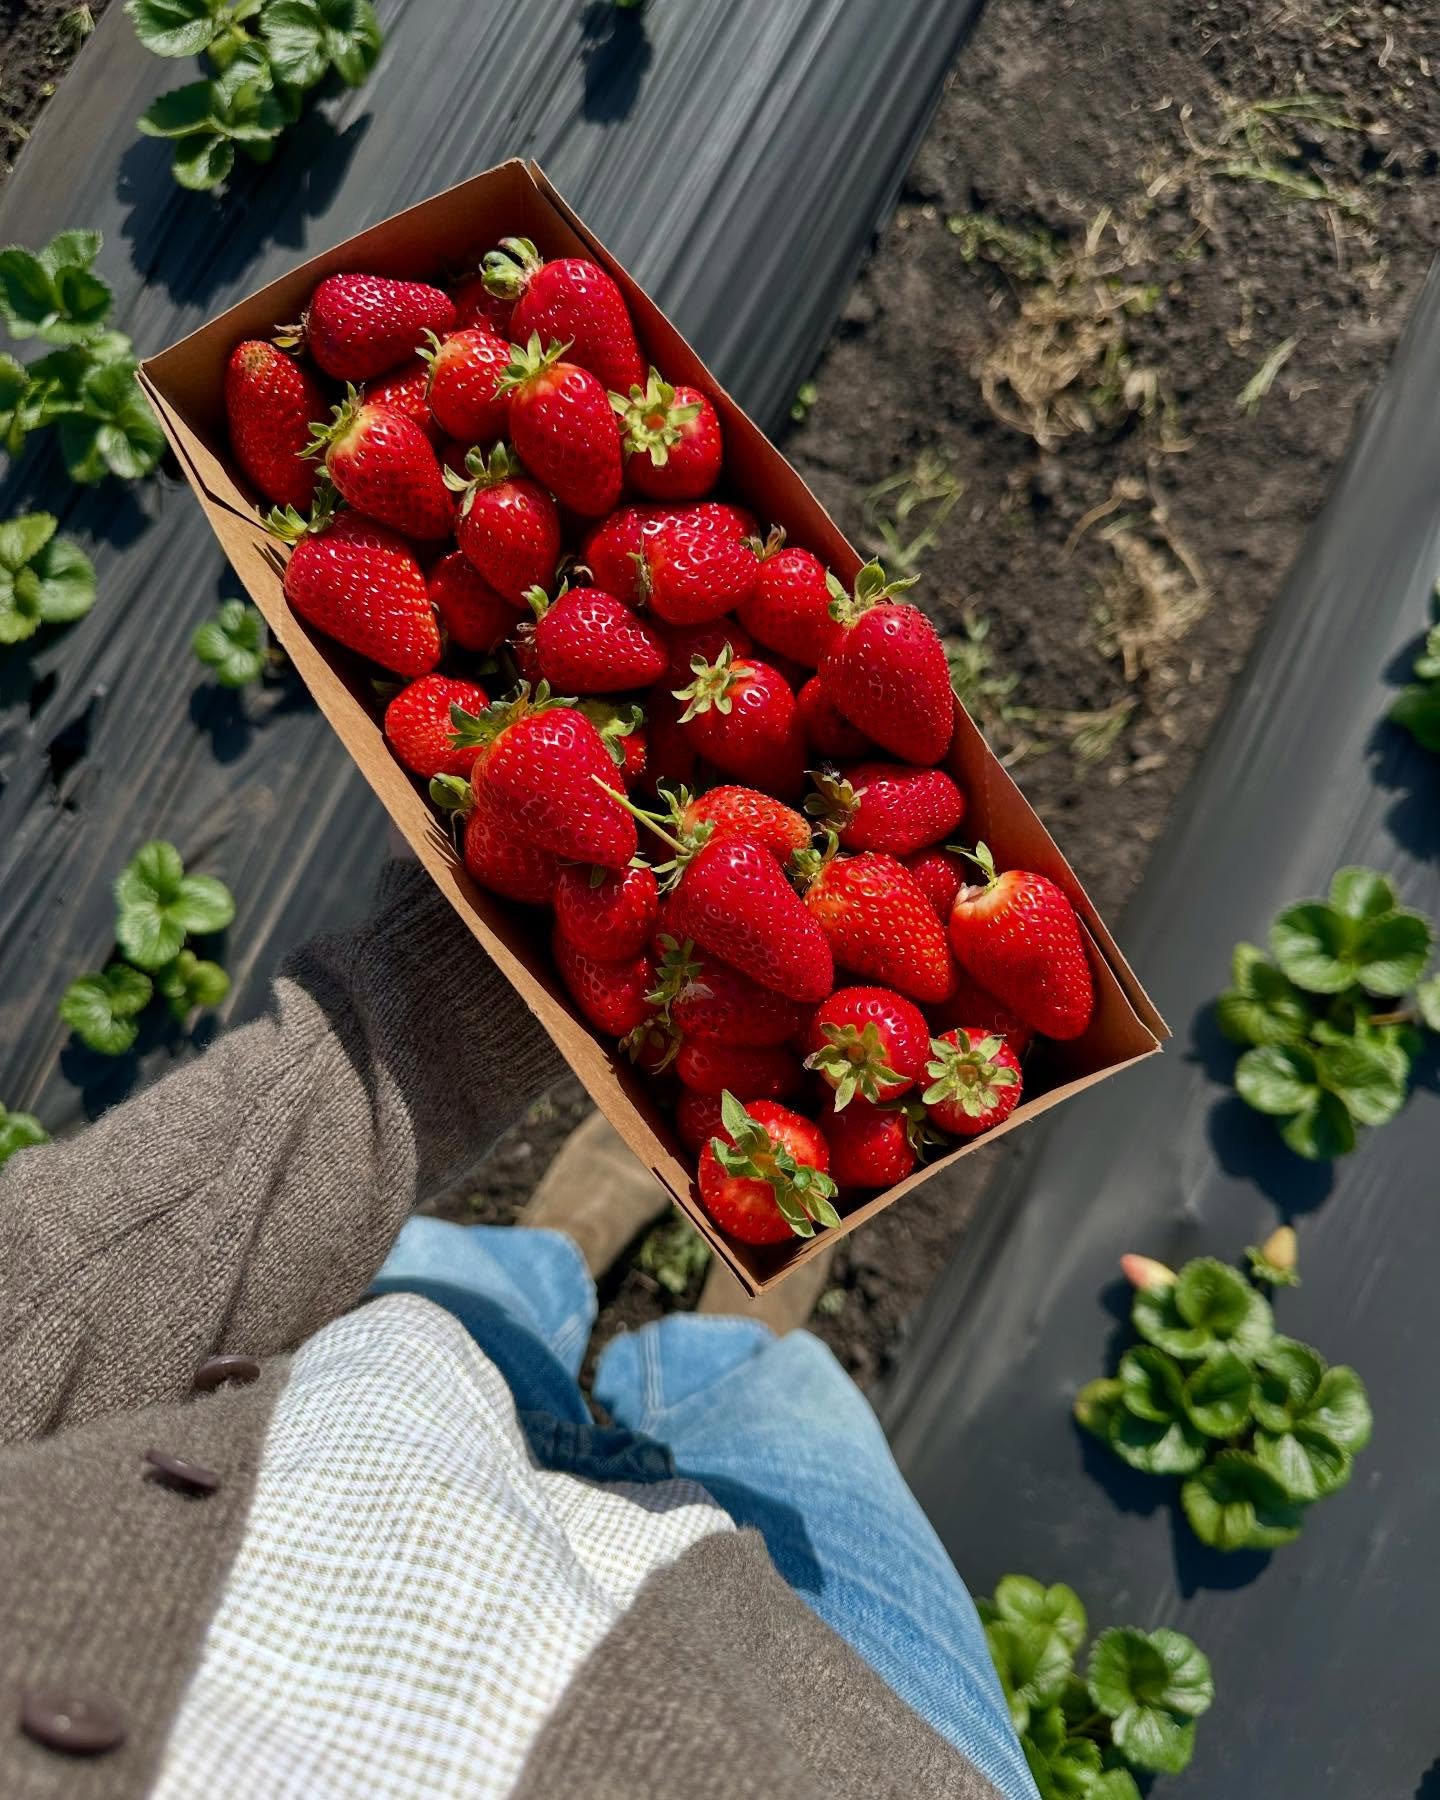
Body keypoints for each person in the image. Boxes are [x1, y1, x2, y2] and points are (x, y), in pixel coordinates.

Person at [0, 861, 1035, 1800]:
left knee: (469, 1276)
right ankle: (745, 1286)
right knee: (786, 1395)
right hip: (836, 1731)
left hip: (370, 1437)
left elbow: (32, 1309)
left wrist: (447, 997)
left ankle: (569, 1247)